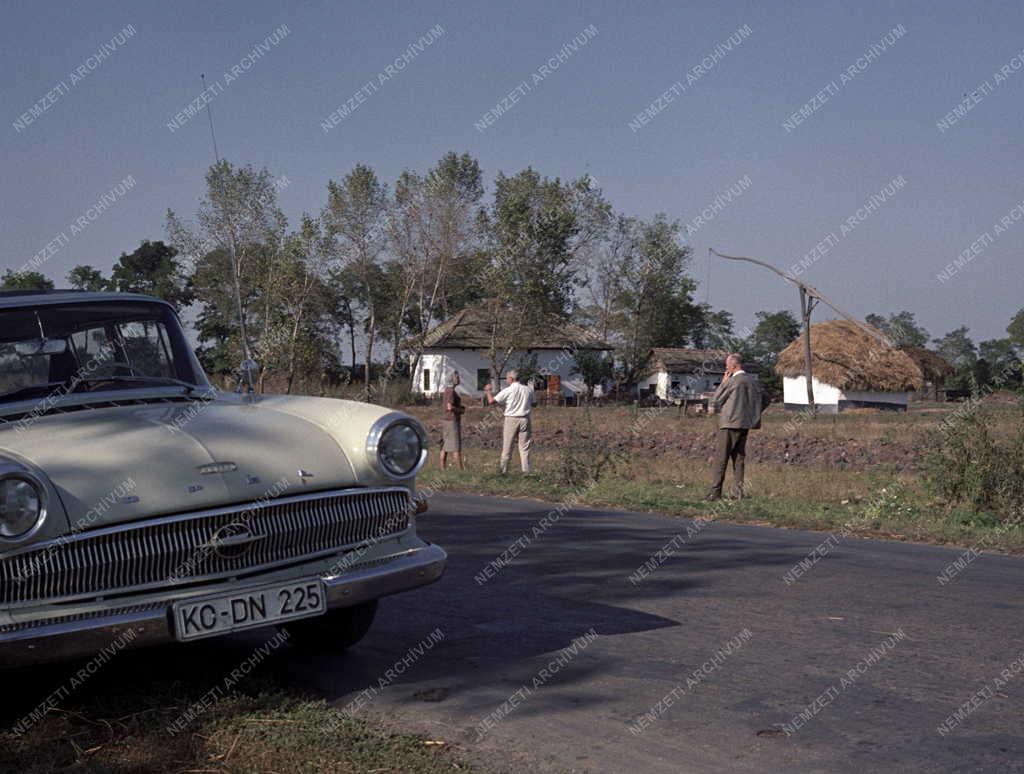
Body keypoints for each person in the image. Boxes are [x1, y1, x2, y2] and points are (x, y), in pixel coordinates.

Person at [707, 353, 761, 501]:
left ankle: (715, 493)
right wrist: (751, 414)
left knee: (721, 459)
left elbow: (716, 400)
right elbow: (766, 399)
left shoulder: (733, 381)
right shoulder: (753, 381)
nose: (726, 368)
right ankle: (738, 494)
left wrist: (724, 382)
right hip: (745, 424)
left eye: (727, 365)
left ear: (734, 365)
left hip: (729, 424)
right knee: (738, 459)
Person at [484, 369, 536, 474]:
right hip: (525, 418)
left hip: (511, 419)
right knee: (524, 447)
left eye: (507, 378)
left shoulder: (508, 390)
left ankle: (503, 471)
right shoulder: (528, 389)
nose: (506, 380)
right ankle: (526, 471)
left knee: (507, 446)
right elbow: (535, 404)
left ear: (511, 379)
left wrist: (488, 391)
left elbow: (491, 401)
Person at [440, 372, 466, 471]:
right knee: (456, 447)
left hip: (446, 420)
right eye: (457, 377)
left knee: (445, 446)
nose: (459, 378)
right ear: (453, 379)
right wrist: (461, 410)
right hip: (451, 421)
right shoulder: (451, 391)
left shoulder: (447, 390)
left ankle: (443, 469)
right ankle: (461, 471)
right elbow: (450, 407)